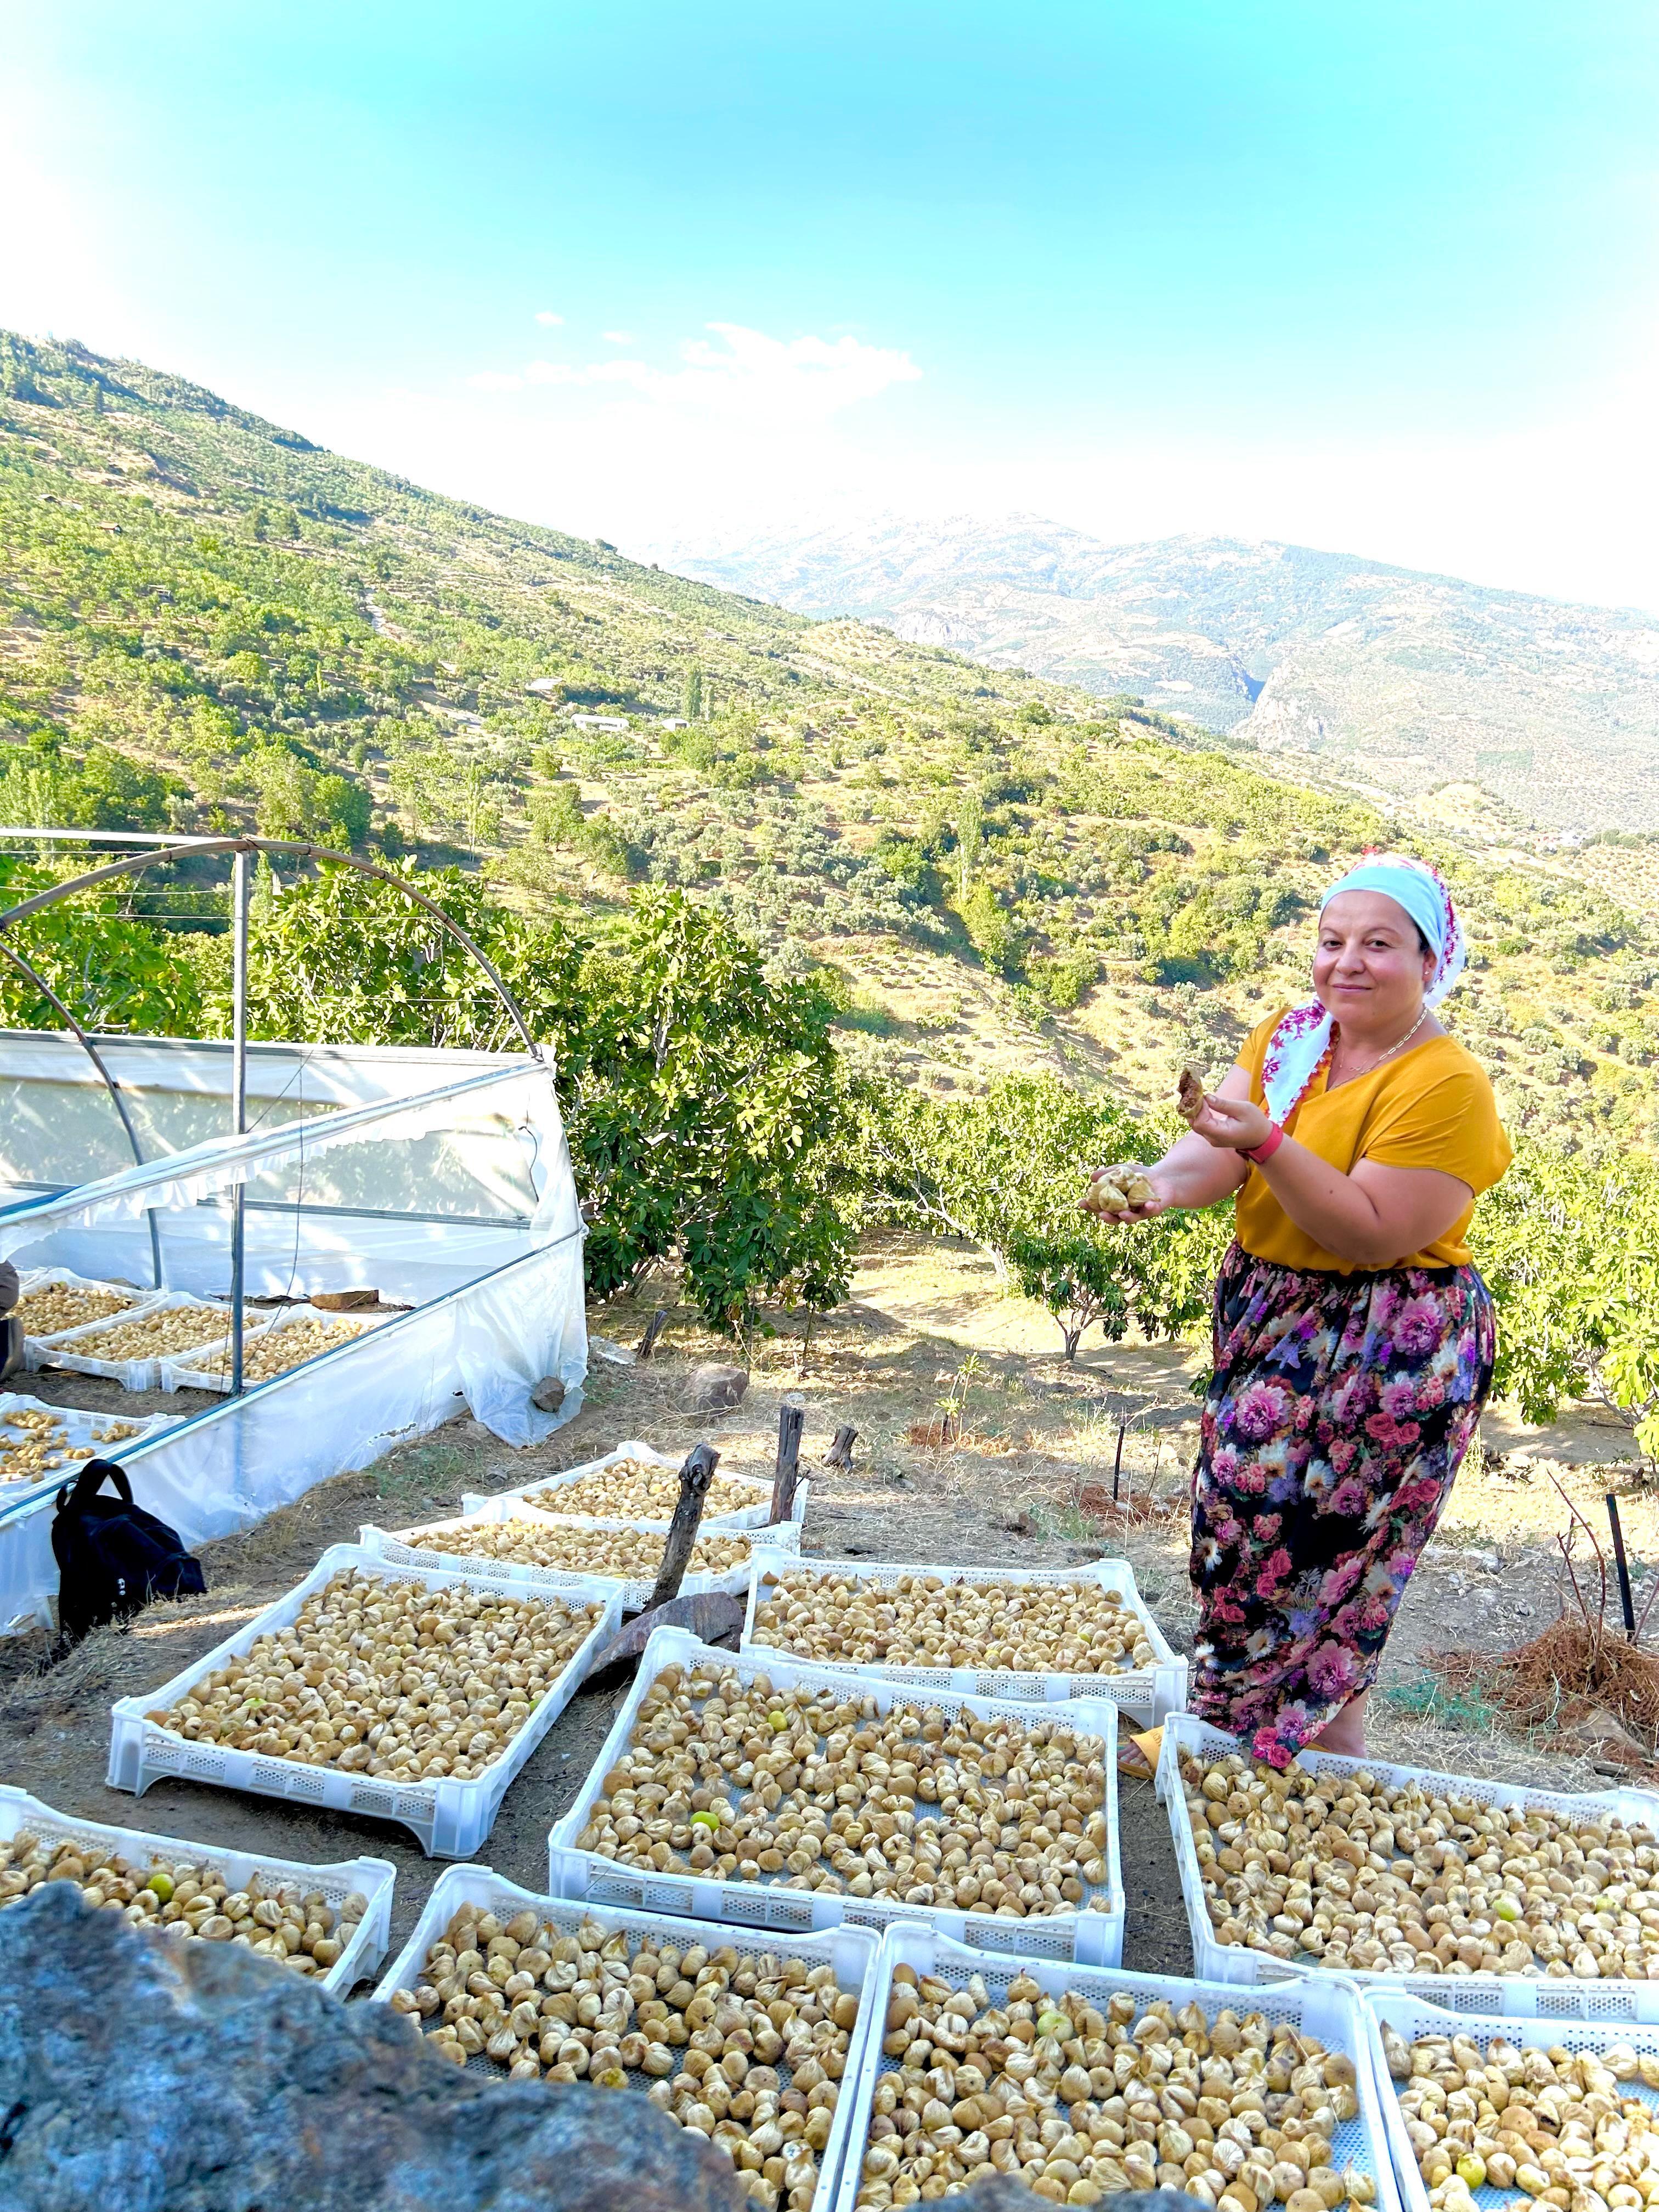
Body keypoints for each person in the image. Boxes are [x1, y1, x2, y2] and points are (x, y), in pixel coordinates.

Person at [1090, 854, 1510, 1769]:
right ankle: (1302, 1749)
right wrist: (1157, 1186)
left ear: (1433, 962)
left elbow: (1368, 1229)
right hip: (1275, 1317)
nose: (1347, 962)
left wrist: (1271, 1145)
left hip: (1385, 1344)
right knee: (1246, 1526)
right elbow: (1221, 1148)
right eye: (1332, 941)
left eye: (1379, 944)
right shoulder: (1291, 1038)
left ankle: (1260, 1738)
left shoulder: (1447, 1084)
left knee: (1303, 1538)